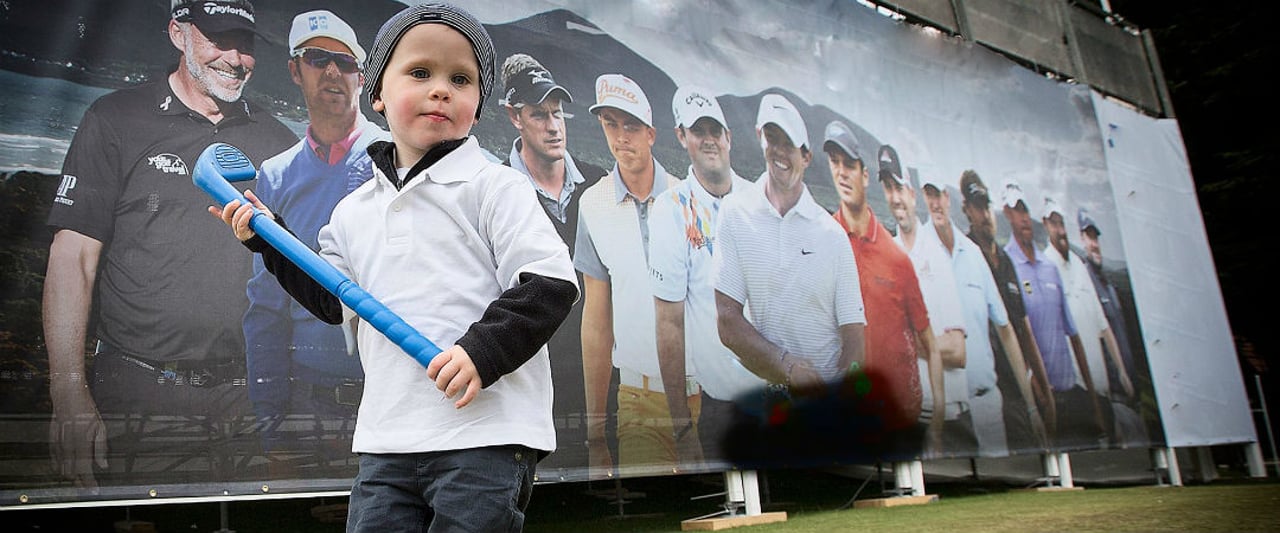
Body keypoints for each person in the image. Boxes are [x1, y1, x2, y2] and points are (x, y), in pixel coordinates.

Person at [211, 4, 578, 530]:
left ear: (477, 105)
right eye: (420, 73)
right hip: (387, 441)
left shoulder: (496, 186)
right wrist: (270, 242)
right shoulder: (353, 211)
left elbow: (549, 284)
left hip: (486, 437)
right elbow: (330, 298)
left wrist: (480, 352)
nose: (441, 89)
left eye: (461, 78)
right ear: (378, 94)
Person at [44, 0, 297, 489]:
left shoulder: (278, 142)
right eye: (219, 39)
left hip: (252, 397)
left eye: (245, 45)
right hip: (138, 390)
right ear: (178, 33)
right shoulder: (115, 118)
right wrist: (69, 392)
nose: (235, 58)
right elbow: (73, 257)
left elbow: (295, 271)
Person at [241, 9, 388, 466]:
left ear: (362, 77)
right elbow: (266, 307)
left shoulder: (400, 157)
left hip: (396, 398)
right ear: (294, 70)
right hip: (309, 405)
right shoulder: (276, 176)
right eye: (317, 58)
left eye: (345, 63)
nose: (331, 71)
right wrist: (272, 421)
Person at [714, 94, 865, 391]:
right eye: (772, 138)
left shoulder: (833, 236)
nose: (779, 152)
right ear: (760, 138)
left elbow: (854, 335)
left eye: (789, 144)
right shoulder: (734, 214)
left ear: (806, 157)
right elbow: (727, 321)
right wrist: (786, 366)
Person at [648, 85, 765, 466]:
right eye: (699, 131)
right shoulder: (671, 209)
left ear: (728, 137)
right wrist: (681, 425)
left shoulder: (760, 201)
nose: (709, 140)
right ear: (682, 137)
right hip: (724, 405)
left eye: (715, 130)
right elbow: (669, 322)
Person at [575, 73, 684, 477]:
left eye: (632, 126)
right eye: (610, 124)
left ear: (651, 133)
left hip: (702, 393)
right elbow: (596, 323)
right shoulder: (593, 204)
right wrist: (595, 433)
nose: (622, 137)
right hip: (638, 396)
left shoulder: (687, 198)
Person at [499, 53, 605, 464]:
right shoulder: (497, 190)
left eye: (558, 113)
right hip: (531, 380)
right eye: (539, 114)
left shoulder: (600, 183)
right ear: (515, 117)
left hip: (600, 376)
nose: (553, 125)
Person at [823, 122, 942, 454]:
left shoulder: (897, 258)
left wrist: (938, 423)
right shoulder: (821, 239)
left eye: (849, 164)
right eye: (835, 163)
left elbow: (929, 344)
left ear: (864, 175)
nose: (842, 173)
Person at [923, 175, 1048, 456]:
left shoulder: (975, 255)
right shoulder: (921, 253)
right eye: (928, 195)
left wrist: (1031, 407)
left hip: (989, 403)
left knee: (1006, 483)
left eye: (939, 194)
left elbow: (1007, 330)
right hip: (951, 409)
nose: (935, 202)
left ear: (948, 198)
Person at [1000, 180, 1106, 449]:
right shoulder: (1006, 263)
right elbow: (1012, 333)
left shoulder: (1049, 266)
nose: (1023, 218)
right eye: (1016, 210)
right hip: (1041, 398)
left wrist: (1093, 401)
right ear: (1007, 214)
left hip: (1072, 392)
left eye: (1025, 210)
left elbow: (1073, 335)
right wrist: (1032, 388)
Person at [879, 146, 970, 456]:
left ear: (913, 194)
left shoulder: (937, 255)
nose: (894, 197)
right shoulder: (886, 255)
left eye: (899, 188)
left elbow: (957, 351)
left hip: (950, 420)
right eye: (888, 188)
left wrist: (904, 343)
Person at [958, 171, 1054, 452]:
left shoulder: (1007, 262)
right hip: (986, 387)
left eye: (987, 205)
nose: (985, 214)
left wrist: (1042, 391)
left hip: (1018, 384)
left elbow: (1022, 330)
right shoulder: (964, 255)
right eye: (978, 207)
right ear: (967, 210)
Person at [1042, 198, 1133, 445]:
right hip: (1074, 389)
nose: (1060, 230)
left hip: (1102, 386)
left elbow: (1102, 325)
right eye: (1054, 223)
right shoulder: (1045, 265)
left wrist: (1122, 370)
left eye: (1062, 223)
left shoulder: (1080, 266)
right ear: (1045, 225)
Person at [1078, 208, 1151, 444]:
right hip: (1113, 395)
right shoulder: (1085, 283)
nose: (1094, 244)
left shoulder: (1108, 285)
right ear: (1081, 240)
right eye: (1088, 237)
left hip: (1131, 392)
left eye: (1095, 236)